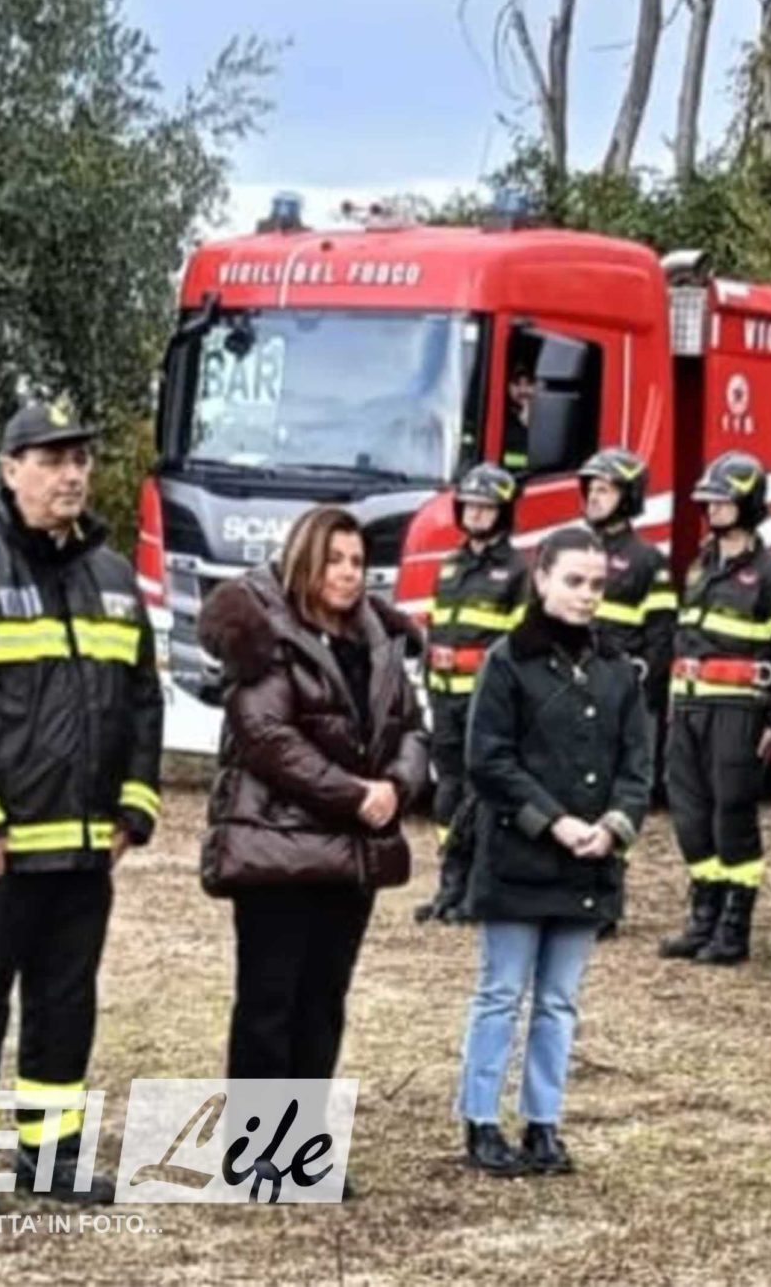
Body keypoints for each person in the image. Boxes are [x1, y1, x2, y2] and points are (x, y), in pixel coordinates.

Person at [0, 399, 162, 1213]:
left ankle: (50, 1158)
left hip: (82, 854)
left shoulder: (113, 580)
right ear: (10, 469)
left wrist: (134, 808)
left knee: (64, 1007)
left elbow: (143, 700)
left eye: (79, 458)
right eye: (50, 460)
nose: (71, 474)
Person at [199, 508, 432, 1119]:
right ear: (305, 559)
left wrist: (396, 786)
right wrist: (353, 793)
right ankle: (255, 1146)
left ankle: (299, 1142)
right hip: (277, 846)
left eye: (357, 562)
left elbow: (413, 726)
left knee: (324, 1002)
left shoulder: (377, 640)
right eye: (334, 560)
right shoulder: (264, 632)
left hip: (352, 853)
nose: (349, 573)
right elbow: (266, 735)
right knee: (269, 1003)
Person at [454, 526, 655, 1176]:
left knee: (559, 1001)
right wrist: (554, 822)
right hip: (520, 856)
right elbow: (488, 760)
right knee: (501, 992)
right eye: (573, 581)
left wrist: (615, 825)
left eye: (597, 584)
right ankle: (482, 1120)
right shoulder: (507, 661)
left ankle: (543, 1123)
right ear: (540, 578)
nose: (587, 595)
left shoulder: (617, 669)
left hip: (589, 861)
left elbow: (637, 763)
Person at [658, 451, 771, 966]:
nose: (713, 508)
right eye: (709, 500)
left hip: (740, 712)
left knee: (732, 815)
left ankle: (734, 928)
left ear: (749, 503)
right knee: (690, 815)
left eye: (723, 500)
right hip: (689, 709)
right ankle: (704, 918)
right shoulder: (701, 567)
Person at [420, 464, 528, 924]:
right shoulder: (449, 566)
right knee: (447, 791)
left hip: (486, 705)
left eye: (486, 507)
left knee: (479, 794)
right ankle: (450, 884)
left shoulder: (519, 570)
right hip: (445, 699)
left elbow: (520, 647)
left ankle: (478, 889)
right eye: (470, 506)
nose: (477, 514)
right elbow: (435, 631)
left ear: (503, 512)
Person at [577, 446, 677, 740]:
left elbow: (661, 638)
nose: (593, 497)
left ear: (628, 496)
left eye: (603, 490)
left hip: (623, 695)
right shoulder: (574, 551)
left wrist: (640, 694)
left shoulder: (648, 560)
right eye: (591, 490)